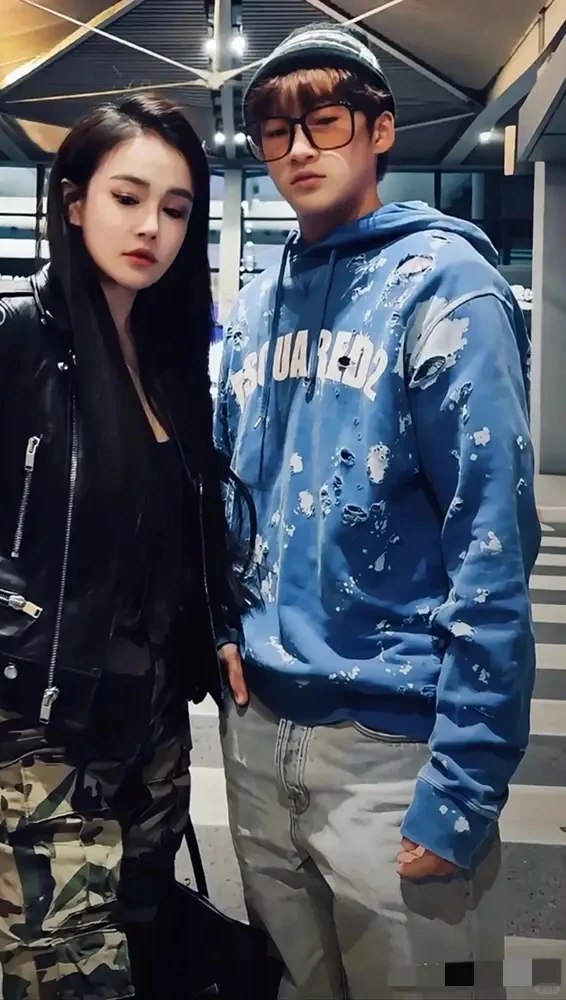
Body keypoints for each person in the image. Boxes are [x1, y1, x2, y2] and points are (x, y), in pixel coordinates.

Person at [0, 95, 254, 1000]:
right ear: (73, 201)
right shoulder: (7, 334)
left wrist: (216, 626)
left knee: (142, 952)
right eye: (127, 197)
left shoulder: (167, 354)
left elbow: (182, 526)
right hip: (30, 722)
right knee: (71, 976)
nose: (150, 227)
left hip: (148, 726)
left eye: (175, 208)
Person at [214, 23, 540, 1000]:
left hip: (395, 749)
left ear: (379, 128)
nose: (298, 149)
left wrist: (465, 783)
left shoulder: (448, 288)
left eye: (324, 121)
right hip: (258, 738)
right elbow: (230, 497)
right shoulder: (255, 304)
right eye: (277, 131)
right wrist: (224, 625)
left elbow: (493, 543)